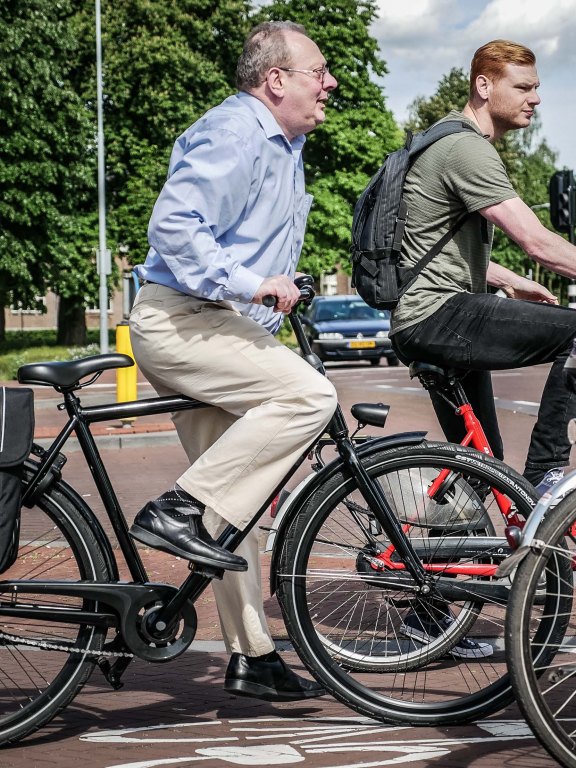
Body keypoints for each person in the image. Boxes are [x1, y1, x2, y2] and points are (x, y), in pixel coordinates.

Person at [128, 21, 338, 702]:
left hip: (215, 325)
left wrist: (275, 287)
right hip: (183, 322)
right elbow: (177, 226)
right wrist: (253, 285)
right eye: (319, 72)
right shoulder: (237, 131)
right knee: (310, 399)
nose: (329, 84)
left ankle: (253, 654)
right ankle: (176, 508)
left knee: (232, 508)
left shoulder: (284, 145)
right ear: (276, 79)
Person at [390, 39, 576, 496]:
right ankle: (545, 475)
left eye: (536, 87)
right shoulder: (465, 148)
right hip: (440, 315)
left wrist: (511, 280)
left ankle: (447, 555)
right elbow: (539, 242)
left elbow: (428, 247)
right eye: (523, 87)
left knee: (483, 469)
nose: (535, 98)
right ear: (484, 86)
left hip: (425, 317)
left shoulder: (441, 138)